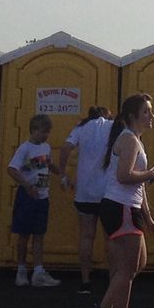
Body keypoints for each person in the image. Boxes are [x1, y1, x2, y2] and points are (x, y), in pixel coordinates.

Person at [92, 94, 154, 308]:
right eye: (146, 111)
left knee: (134, 266)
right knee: (127, 270)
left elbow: (138, 184)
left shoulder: (134, 140)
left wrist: (147, 214)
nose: (151, 116)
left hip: (127, 206)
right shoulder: (129, 139)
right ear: (132, 116)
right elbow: (125, 176)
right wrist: (152, 172)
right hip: (120, 206)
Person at [57, 104, 112, 292]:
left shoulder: (81, 127)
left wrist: (63, 173)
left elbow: (65, 148)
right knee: (110, 238)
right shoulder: (112, 126)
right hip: (107, 192)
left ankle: (85, 281)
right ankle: (114, 279)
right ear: (106, 114)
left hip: (85, 191)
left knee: (87, 236)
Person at [7, 113, 60, 288]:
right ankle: (21, 270)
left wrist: (59, 171)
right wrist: (27, 186)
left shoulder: (46, 147)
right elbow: (12, 169)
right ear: (33, 130)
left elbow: (48, 164)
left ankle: (38, 271)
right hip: (28, 196)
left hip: (43, 196)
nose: (45, 135)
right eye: (42, 131)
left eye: (48, 132)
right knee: (24, 234)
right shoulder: (25, 148)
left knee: (39, 234)